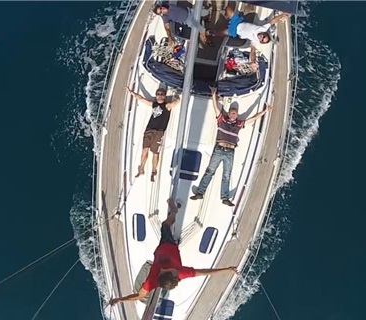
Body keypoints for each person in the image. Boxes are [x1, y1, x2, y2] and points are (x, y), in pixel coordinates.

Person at [109, 199, 238, 306]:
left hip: (164, 245)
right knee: (166, 227)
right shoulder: (181, 273)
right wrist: (228, 270)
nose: (178, 272)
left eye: (175, 273)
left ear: (166, 272)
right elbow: (205, 272)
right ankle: (174, 212)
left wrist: (119, 299)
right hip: (171, 245)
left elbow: (138, 295)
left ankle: (174, 212)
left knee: (165, 225)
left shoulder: (151, 280)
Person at [190, 86, 273, 206]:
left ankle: (225, 198)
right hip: (219, 149)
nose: (233, 115)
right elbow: (215, 107)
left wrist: (265, 111)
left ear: (237, 115)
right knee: (210, 171)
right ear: (228, 113)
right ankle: (200, 193)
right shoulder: (221, 120)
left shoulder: (239, 124)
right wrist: (214, 94)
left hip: (230, 151)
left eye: (235, 113)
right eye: (232, 112)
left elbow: (253, 118)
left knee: (226, 175)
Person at [127, 86, 180, 182]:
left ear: (164, 97)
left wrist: (177, 97)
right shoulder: (153, 104)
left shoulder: (167, 106)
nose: (159, 96)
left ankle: (153, 171)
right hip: (149, 130)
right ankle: (142, 169)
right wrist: (132, 92)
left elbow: (176, 103)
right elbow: (141, 99)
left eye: (161, 94)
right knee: (145, 150)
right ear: (156, 96)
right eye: (158, 94)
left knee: (155, 153)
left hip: (159, 132)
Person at [209, 7, 291, 62]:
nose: (261, 38)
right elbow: (273, 21)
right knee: (228, 9)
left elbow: (253, 52)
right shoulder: (263, 28)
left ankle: (209, 33)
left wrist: (253, 62)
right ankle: (227, 17)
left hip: (234, 31)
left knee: (217, 34)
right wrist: (281, 15)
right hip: (238, 21)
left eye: (262, 40)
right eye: (264, 36)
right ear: (264, 33)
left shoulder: (255, 42)